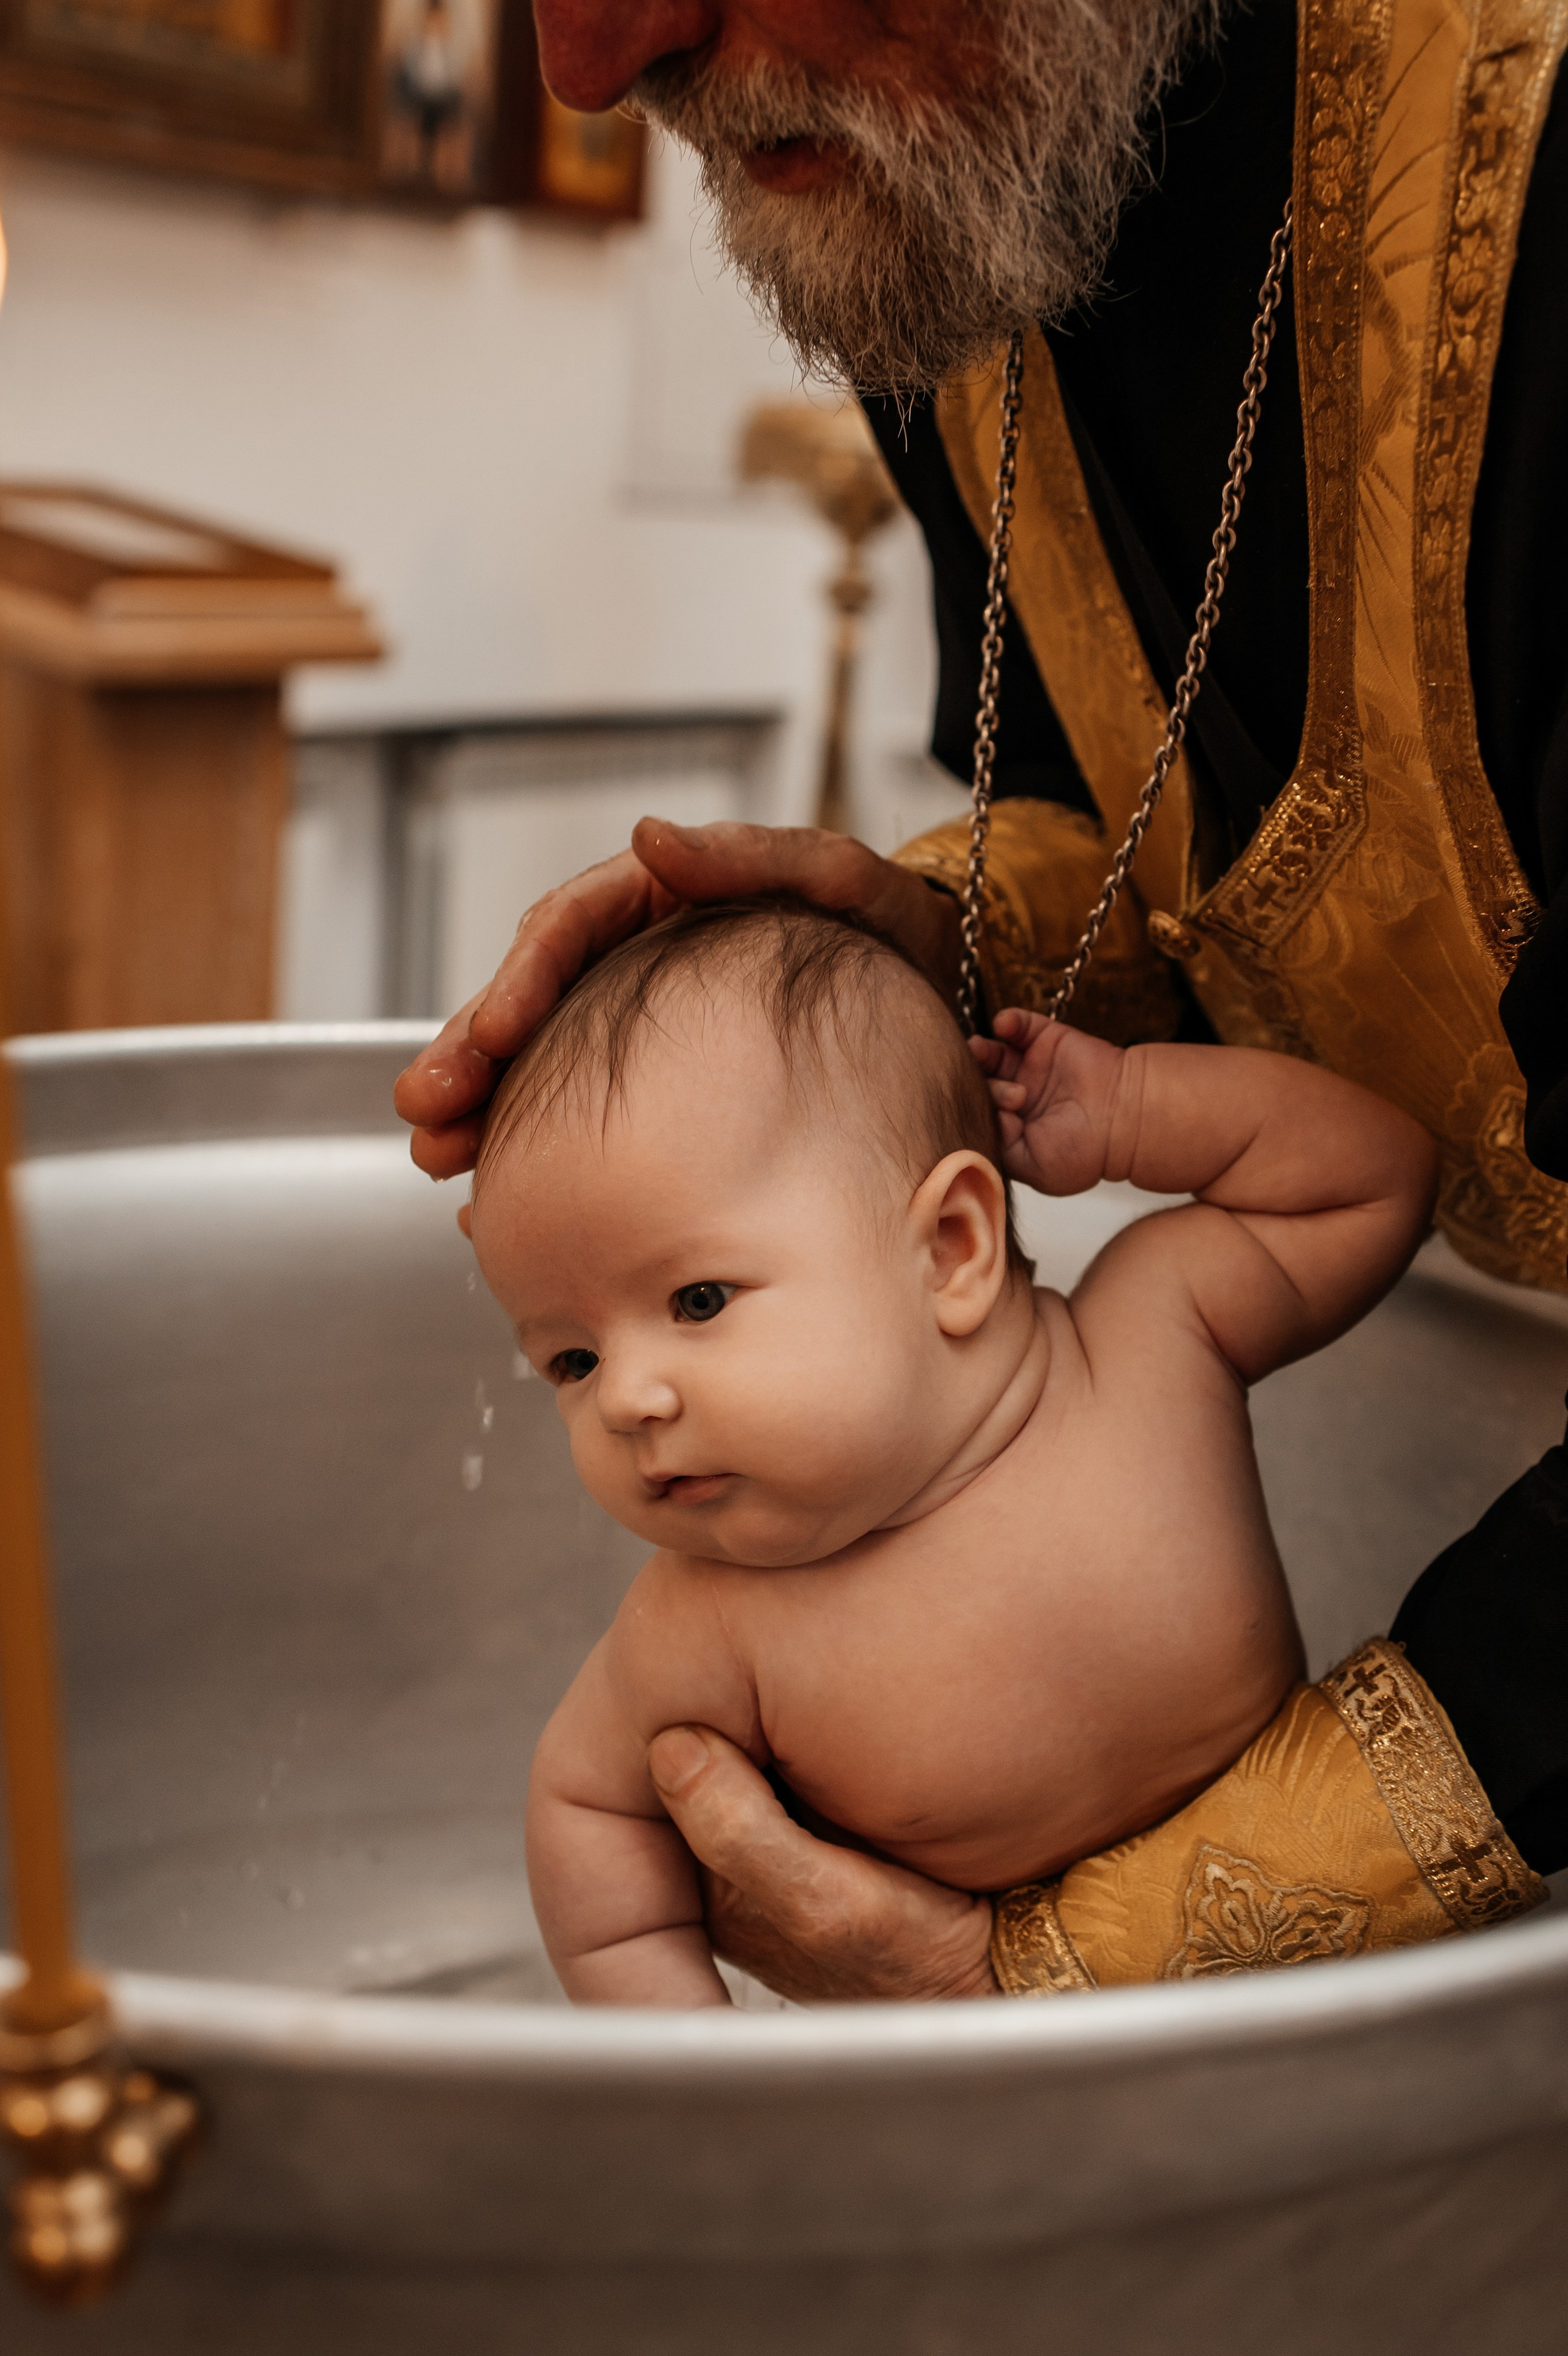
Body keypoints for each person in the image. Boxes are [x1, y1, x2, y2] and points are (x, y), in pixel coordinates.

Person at [395, 0, 1568, 1999]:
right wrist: (919, 955)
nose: (595, 62)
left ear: (959, 1243)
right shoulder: (971, 171)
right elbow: (1120, 794)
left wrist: (1048, 1972)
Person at [471, 897, 1502, 2007]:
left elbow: (1375, 1176)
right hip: (981, 2070)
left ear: (952, 1250)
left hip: (1348, 1961)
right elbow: (584, 1812)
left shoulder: (1153, 1335)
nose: (625, 1399)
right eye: (570, 1362)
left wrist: (1130, 1115)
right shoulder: (705, 1620)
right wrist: (695, 2065)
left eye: (699, 1298)